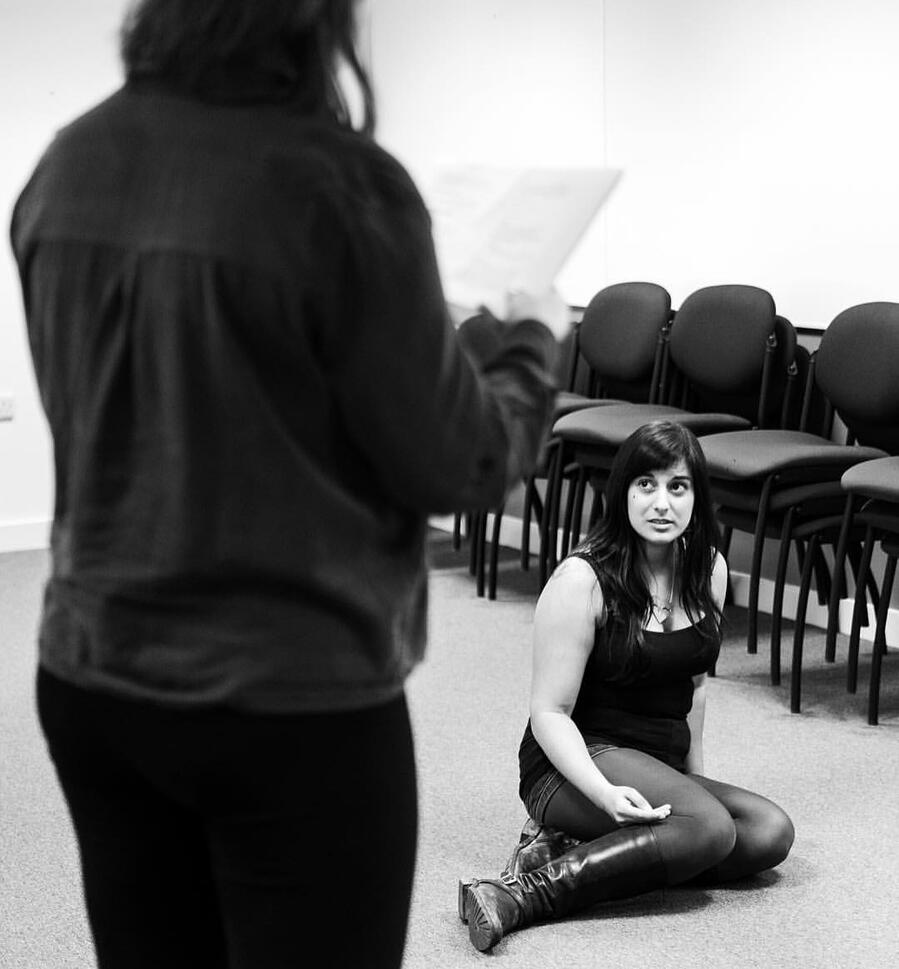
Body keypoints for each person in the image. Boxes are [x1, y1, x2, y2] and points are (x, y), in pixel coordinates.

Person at [9, 2, 572, 967]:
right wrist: (530, 340)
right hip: (287, 702)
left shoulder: (66, 165)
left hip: (95, 678)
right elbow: (462, 460)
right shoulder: (337, 183)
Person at [459, 420, 795, 952]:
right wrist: (603, 794)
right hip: (575, 759)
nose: (662, 502)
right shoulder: (581, 581)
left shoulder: (708, 568)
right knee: (709, 831)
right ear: (623, 493)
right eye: (646, 485)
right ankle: (520, 894)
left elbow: (696, 683)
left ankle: (570, 844)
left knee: (768, 832)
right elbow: (549, 712)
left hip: (653, 759)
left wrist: (694, 781)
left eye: (677, 486)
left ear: (696, 496)